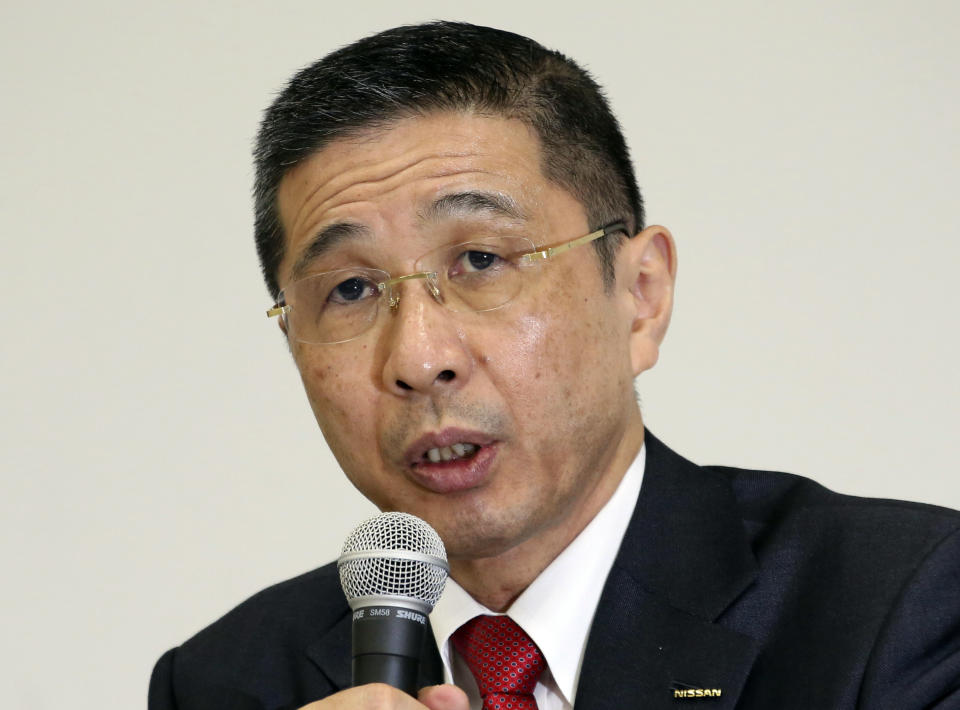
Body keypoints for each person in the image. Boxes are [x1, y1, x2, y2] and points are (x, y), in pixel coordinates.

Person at [149, 21, 960, 710]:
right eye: (352, 288)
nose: (420, 357)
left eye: (480, 260)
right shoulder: (225, 682)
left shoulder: (900, 603)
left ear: (641, 295)